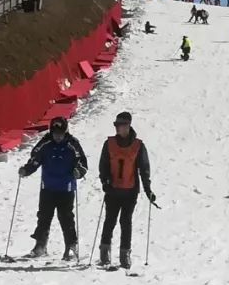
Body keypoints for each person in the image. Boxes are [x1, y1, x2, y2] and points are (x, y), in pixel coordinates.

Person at [19, 115, 88, 259]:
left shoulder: (72, 144)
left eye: (61, 134)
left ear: (66, 131)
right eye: (55, 134)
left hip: (66, 188)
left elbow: (82, 162)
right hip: (48, 187)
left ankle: (71, 246)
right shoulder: (45, 143)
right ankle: (40, 245)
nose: (58, 137)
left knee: (66, 218)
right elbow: (35, 159)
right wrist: (27, 170)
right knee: (44, 217)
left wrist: (79, 171)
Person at [98, 111, 156, 269]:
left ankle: (125, 254)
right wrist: (105, 181)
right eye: (116, 125)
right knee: (110, 220)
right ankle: (104, 252)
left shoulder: (138, 146)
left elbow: (144, 169)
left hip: (130, 191)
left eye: (121, 125)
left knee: (125, 221)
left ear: (128, 126)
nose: (118, 128)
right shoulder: (108, 144)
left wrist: (148, 189)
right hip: (113, 189)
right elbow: (103, 165)